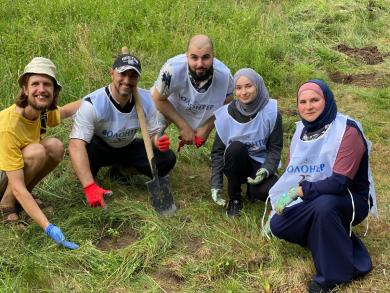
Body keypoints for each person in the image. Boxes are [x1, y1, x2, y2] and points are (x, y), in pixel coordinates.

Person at [266, 80, 378, 292]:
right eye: (303, 102)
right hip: (315, 196)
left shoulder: (347, 130)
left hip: (350, 199)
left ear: (326, 101)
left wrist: (300, 192)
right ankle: (330, 239)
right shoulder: (301, 131)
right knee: (278, 225)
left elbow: (339, 182)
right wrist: (281, 200)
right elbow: (293, 171)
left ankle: (336, 274)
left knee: (324, 207)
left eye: (315, 100)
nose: (308, 107)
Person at [68, 52, 176, 213]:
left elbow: (154, 133)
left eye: (133, 76)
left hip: (126, 147)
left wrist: (158, 140)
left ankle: (121, 171)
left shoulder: (146, 100)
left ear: (138, 79)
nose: (127, 80)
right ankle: (91, 181)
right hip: (99, 147)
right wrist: (89, 186)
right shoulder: (93, 104)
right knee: (84, 158)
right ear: (111, 73)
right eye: (122, 74)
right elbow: (75, 145)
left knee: (167, 159)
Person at [0, 57, 80, 250]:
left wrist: (102, 96)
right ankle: (6, 205)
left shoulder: (41, 112)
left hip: (12, 172)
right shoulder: (9, 125)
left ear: (54, 91)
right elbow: (17, 186)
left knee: (54, 146)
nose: (41, 89)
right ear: (25, 90)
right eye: (35, 83)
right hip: (4, 174)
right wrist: (48, 226)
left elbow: (65, 112)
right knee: (36, 151)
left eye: (47, 84)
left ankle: (24, 201)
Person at [211, 68, 283, 217]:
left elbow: (275, 149)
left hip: (260, 163)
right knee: (235, 148)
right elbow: (218, 151)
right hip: (236, 162)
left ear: (258, 85)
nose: (243, 92)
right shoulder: (227, 114)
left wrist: (267, 169)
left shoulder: (271, 112)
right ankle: (235, 199)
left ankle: (253, 190)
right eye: (238, 88)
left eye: (248, 86)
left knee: (266, 193)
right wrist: (216, 183)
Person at [151, 34, 234, 150]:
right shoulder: (171, 70)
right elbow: (157, 98)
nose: (200, 64)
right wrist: (183, 126)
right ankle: (154, 150)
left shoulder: (225, 76)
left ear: (213, 56)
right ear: (187, 56)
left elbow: (228, 104)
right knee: (153, 127)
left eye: (205, 57)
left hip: (205, 109)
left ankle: (222, 157)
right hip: (172, 106)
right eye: (194, 58)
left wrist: (207, 127)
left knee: (233, 118)